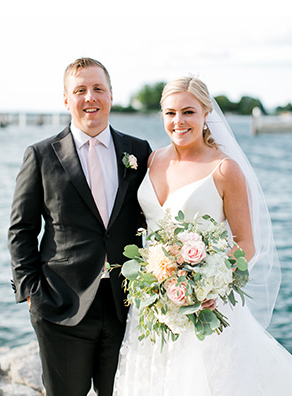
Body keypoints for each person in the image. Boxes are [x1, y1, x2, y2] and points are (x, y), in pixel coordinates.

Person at [112, 76, 292, 395]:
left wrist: (212, 285)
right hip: (152, 303)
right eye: (170, 113)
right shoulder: (153, 159)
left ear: (206, 113)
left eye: (188, 112)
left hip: (205, 303)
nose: (178, 121)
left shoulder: (224, 169)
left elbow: (246, 243)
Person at [8, 57, 151, 395]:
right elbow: (21, 229)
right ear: (66, 99)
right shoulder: (41, 155)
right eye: (80, 90)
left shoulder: (139, 151)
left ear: (111, 96)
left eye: (98, 89)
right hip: (61, 306)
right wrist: (30, 290)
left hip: (125, 306)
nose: (90, 97)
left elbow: (152, 218)